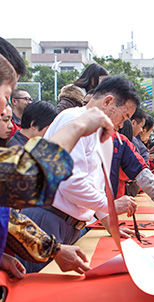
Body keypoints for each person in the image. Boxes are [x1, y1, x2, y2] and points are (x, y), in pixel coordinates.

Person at [20, 76, 140, 273]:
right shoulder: (74, 119)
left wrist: (110, 223)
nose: (121, 124)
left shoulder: (99, 134)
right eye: (124, 117)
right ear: (108, 101)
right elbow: (69, 182)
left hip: (66, 224)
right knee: (38, 287)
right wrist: (109, 206)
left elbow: (95, 186)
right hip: (48, 219)